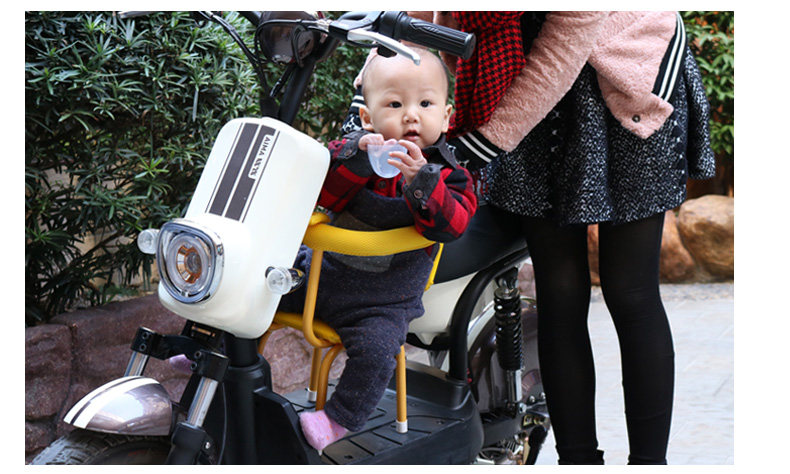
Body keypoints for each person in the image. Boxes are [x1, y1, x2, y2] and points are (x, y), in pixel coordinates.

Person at [399, 11, 715, 464]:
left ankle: (650, 464)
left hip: (630, 71)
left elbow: (563, 49)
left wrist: (481, 145)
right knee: (559, 291)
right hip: (527, 83)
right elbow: (432, 20)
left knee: (631, 291)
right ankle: (577, 461)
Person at [282, 47, 477, 451]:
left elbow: (453, 224)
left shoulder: (452, 176)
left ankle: (337, 420)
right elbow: (323, 193)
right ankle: (212, 347)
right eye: (394, 103)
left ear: (446, 115)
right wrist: (358, 161)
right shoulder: (355, 153)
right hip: (319, 276)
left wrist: (421, 181)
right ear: (368, 116)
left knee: (377, 354)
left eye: (426, 103)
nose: (411, 115)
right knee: (254, 281)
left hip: (382, 303)